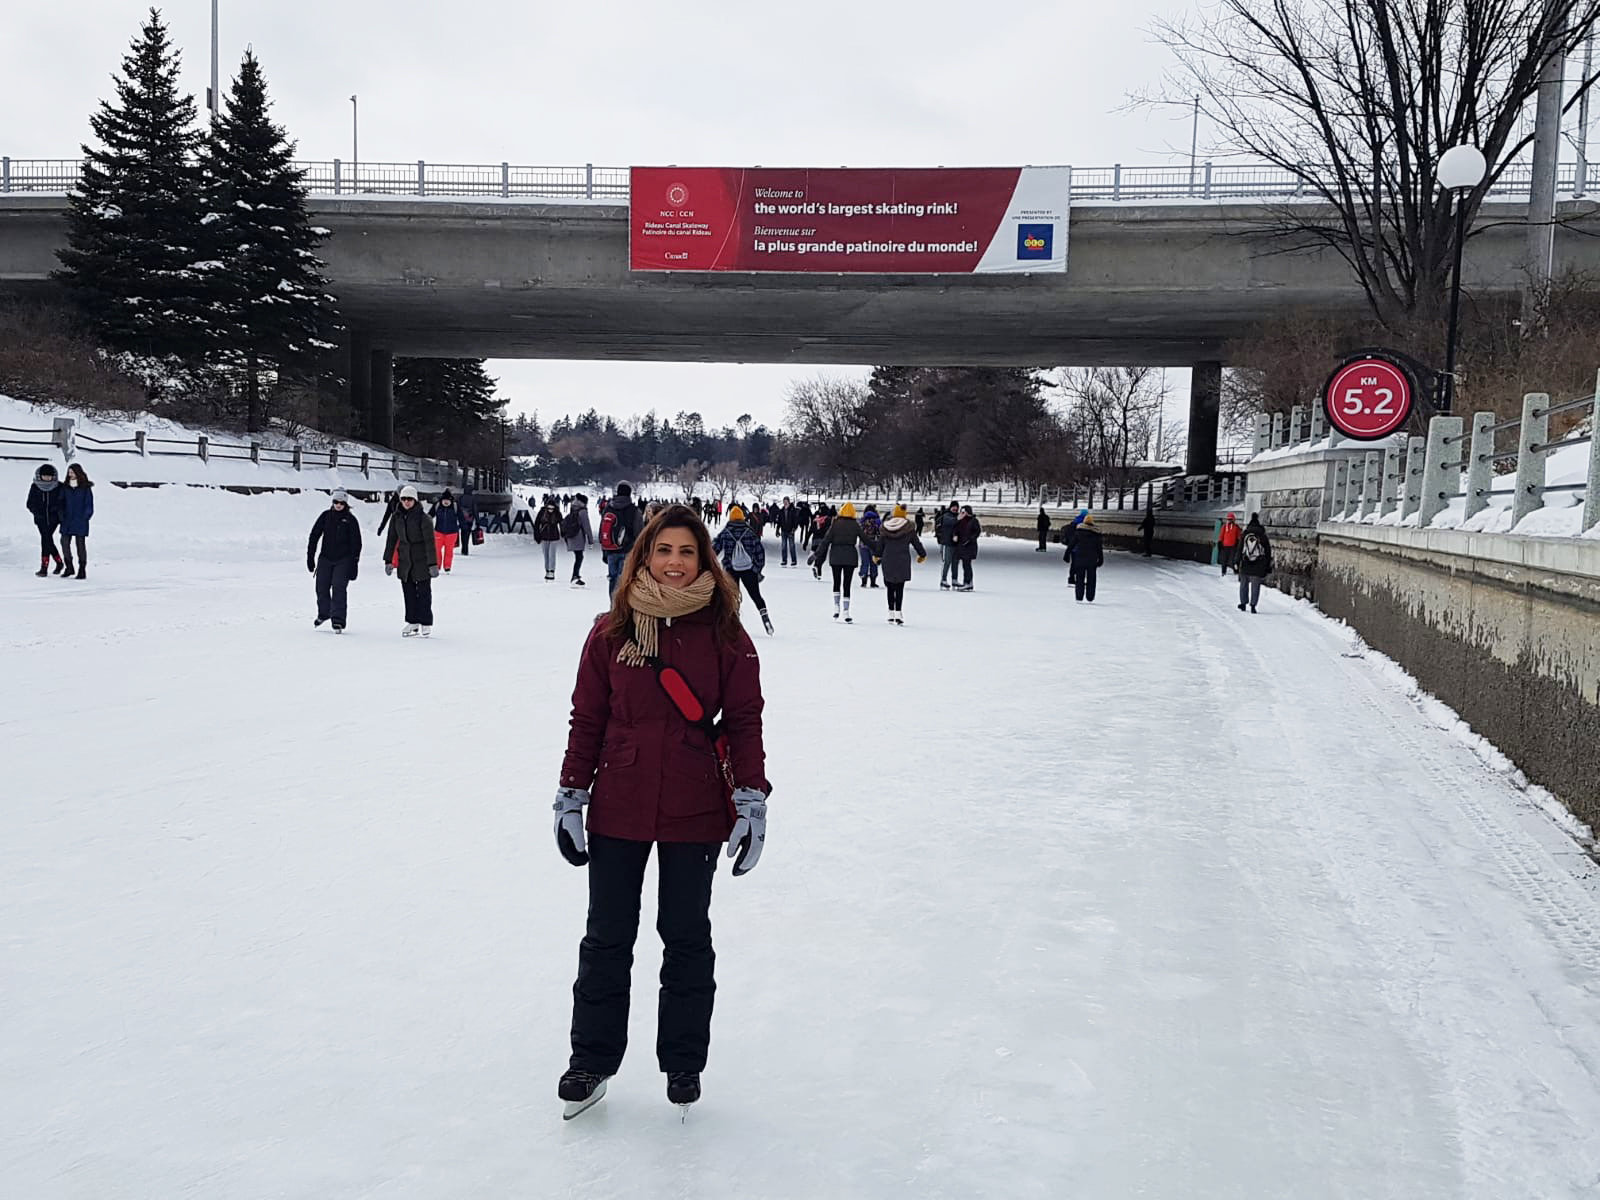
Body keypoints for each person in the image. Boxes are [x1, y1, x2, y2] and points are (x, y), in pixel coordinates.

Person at [552, 504, 769, 1116]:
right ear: (644, 555)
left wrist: (751, 798)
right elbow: (587, 719)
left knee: (686, 936)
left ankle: (682, 1062)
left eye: (687, 553)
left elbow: (746, 722)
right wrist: (573, 793)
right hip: (619, 800)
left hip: (695, 803)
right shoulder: (610, 632)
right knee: (606, 938)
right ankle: (590, 1059)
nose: (675, 564)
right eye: (664, 551)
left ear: (704, 559)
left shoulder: (727, 631)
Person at [383, 484, 439, 637]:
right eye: (403, 499)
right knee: (408, 592)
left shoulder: (424, 518)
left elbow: (430, 542)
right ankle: (412, 621)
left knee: (423, 592)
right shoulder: (396, 517)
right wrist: (388, 560)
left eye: (409, 499)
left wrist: (432, 564)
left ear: (415, 500)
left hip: (421, 559)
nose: (406, 502)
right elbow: (391, 539)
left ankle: (426, 622)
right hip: (405, 559)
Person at [711, 505, 774, 636]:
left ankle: (735, 621)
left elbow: (714, 549)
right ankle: (764, 616)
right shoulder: (749, 532)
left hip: (731, 569)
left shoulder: (726, 532)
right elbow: (759, 552)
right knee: (756, 595)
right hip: (749, 570)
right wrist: (757, 568)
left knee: (732, 597)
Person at [307, 488, 362, 632]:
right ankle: (324, 613)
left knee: (339, 588)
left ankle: (338, 620)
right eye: (336, 502)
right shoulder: (325, 516)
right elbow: (314, 536)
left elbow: (357, 543)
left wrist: (354, 564)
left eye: (341, 503)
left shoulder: (350, 520)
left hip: (343, 560)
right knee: (321, 587)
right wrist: (310, 557)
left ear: (346, 504)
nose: (338, 505)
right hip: (325, 558)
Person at [875, 504, 927, 625]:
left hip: (888, 559)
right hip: (902, 560)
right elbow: (916, 543)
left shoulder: (885, 527)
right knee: (899, 587)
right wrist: (922, 554)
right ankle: (898, 613)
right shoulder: (908, 528)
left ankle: (890, 612)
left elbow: (880, 545)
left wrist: (877, 556)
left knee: (890, 587)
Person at [814, 501, 862, 622]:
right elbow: (865, 539)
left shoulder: (835, 524)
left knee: (836, 581)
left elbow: (826, 540)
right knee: (847, 584)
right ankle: (846, 611)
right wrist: (878, 550)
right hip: (850, 557)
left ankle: (836, 607)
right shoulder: (855, 525)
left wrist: (816, 554)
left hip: (836, 556)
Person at [600, 482, 644, 598]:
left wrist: (604, 550)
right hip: (627, 550)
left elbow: (603, 530)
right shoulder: (634, 511)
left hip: (610, 550)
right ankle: (620, 607)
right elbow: (639, 533)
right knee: (623, 579)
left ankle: (613, 605)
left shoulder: (608, 508)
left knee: (612, 578)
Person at [26, 464, 66, 577]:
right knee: (47, 540)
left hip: (54, 519)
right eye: (45, 476)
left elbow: (63, 502)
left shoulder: (59, 487)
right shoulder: (35, 487)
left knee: (46, 539)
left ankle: (44, 567)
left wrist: (57, 510)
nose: (47, 478)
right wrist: (37, 512)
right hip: (40, 519)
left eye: (49, 476)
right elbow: (29, 503)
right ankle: (58, 562)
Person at [59, 463, 95, 580]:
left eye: (72, 472)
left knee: (80, 545)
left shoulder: (85, 488)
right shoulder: (65, 487)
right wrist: (61, 515)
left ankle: (82, 568)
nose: (71, 475)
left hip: (80, 520)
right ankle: (69, 566)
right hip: (67, 520)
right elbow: (61, 502)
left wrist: (86, 516)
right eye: (69, 473)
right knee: (64, 543)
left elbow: (88, 504)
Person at [1236, 515, 1274, 613]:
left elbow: (1239, 549)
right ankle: (1253, 606)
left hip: (1245, 563)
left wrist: (1236, 562)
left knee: (1243, 584)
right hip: (1258, 564)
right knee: (1255, 586)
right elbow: (1268, 551)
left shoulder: (1245, 534)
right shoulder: (1262, 535)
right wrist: (1267, 565)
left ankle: (1243, 604)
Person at [1070, 514, 1105, 603]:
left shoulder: (1079, 532)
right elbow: (1099, 548)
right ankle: (1090, 596)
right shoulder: (1096, 534)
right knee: (1091, 578)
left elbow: (1072, 544)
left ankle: (1079, 596)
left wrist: (1067, 554)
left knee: (1079, 578)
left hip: (1080, 558)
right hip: (1092, 560)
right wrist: (1100, 559)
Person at [562, 493, 595, 587]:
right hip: (578, 536)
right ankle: (575, 577)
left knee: (578, 556)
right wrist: (590, 540)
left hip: (571, 536)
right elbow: (586, 526)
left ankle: (575, 576)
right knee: (579, 557)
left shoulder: (573, 508)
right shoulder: (582, 511)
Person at [430, 491, 462, 573]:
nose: (446, 502)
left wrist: (464, 526)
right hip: (439, 531)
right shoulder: (437, 506)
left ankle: (447, 566)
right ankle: (437, 565)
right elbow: (430, 515)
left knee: (449, 550)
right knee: (437, 550)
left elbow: (461, 518)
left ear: (451, 501)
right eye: (444, 500)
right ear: (441, 500)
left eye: (448, 500)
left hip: (452, 533)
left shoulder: (455, 507)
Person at [952, 505, 981, 592]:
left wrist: (969, 540)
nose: (962, 514)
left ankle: (968, 582)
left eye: (963, 512)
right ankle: (967, 582)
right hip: (961, 546)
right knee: (965, 565)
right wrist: (955, 535)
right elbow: (955, 529)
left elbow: (977, 532)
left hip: (969, 546)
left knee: (967, 564)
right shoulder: (960, 521)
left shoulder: (973, 521)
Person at [534, 499, 564, 581]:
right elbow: (536, 524)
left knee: (552, 554)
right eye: (549, 508)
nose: (550, 510)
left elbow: (562, 524)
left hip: (554, 537)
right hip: (544, 536)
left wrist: (564, 533)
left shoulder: (557, 513)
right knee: (546, 554)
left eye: (552, 508)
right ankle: (547, 570)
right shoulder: (542, 513)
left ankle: (551, 571)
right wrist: (537, 535)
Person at [934, 501, 960, 590]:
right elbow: (950, 522)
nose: (955, 509)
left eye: (956, 507)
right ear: (950, 507)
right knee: (947, 562)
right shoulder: (946, 516)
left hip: (956, 544)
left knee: (955, 562)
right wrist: (959, 519)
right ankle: (943, 580)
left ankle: (954, 579)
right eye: (954, 507)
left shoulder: (957, 516)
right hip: (947, 543)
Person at [858, 504, 884, 589]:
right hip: (874, 544)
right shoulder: (877, 521)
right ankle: (873, 581)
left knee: (864, 563)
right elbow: (880, 533)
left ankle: (863, 580)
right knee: (874, 563)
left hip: (863, 544)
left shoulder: (862, 521)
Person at [775, 498, 801, 567]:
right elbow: (779, 521)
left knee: (792, 546)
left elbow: (796, 520)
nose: (785, 503)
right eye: (784, 502)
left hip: (790, 530)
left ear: (789, 502)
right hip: (783, 530)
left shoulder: (793, 510)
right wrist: (777, 529)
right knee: (783, 546)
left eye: (786, 502)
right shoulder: (781, 511)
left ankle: (794, 560)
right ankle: (784, 560)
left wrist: (794, 528)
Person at [458, 484, 479, 556]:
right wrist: (477, 521)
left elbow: (458, 509)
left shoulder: (461, 498)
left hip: (462, 518)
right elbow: (475, 510)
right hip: (469, 519)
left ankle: (463, 548)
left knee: (463, 533)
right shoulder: (473, 499)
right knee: (467, 534)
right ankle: (465, 549)